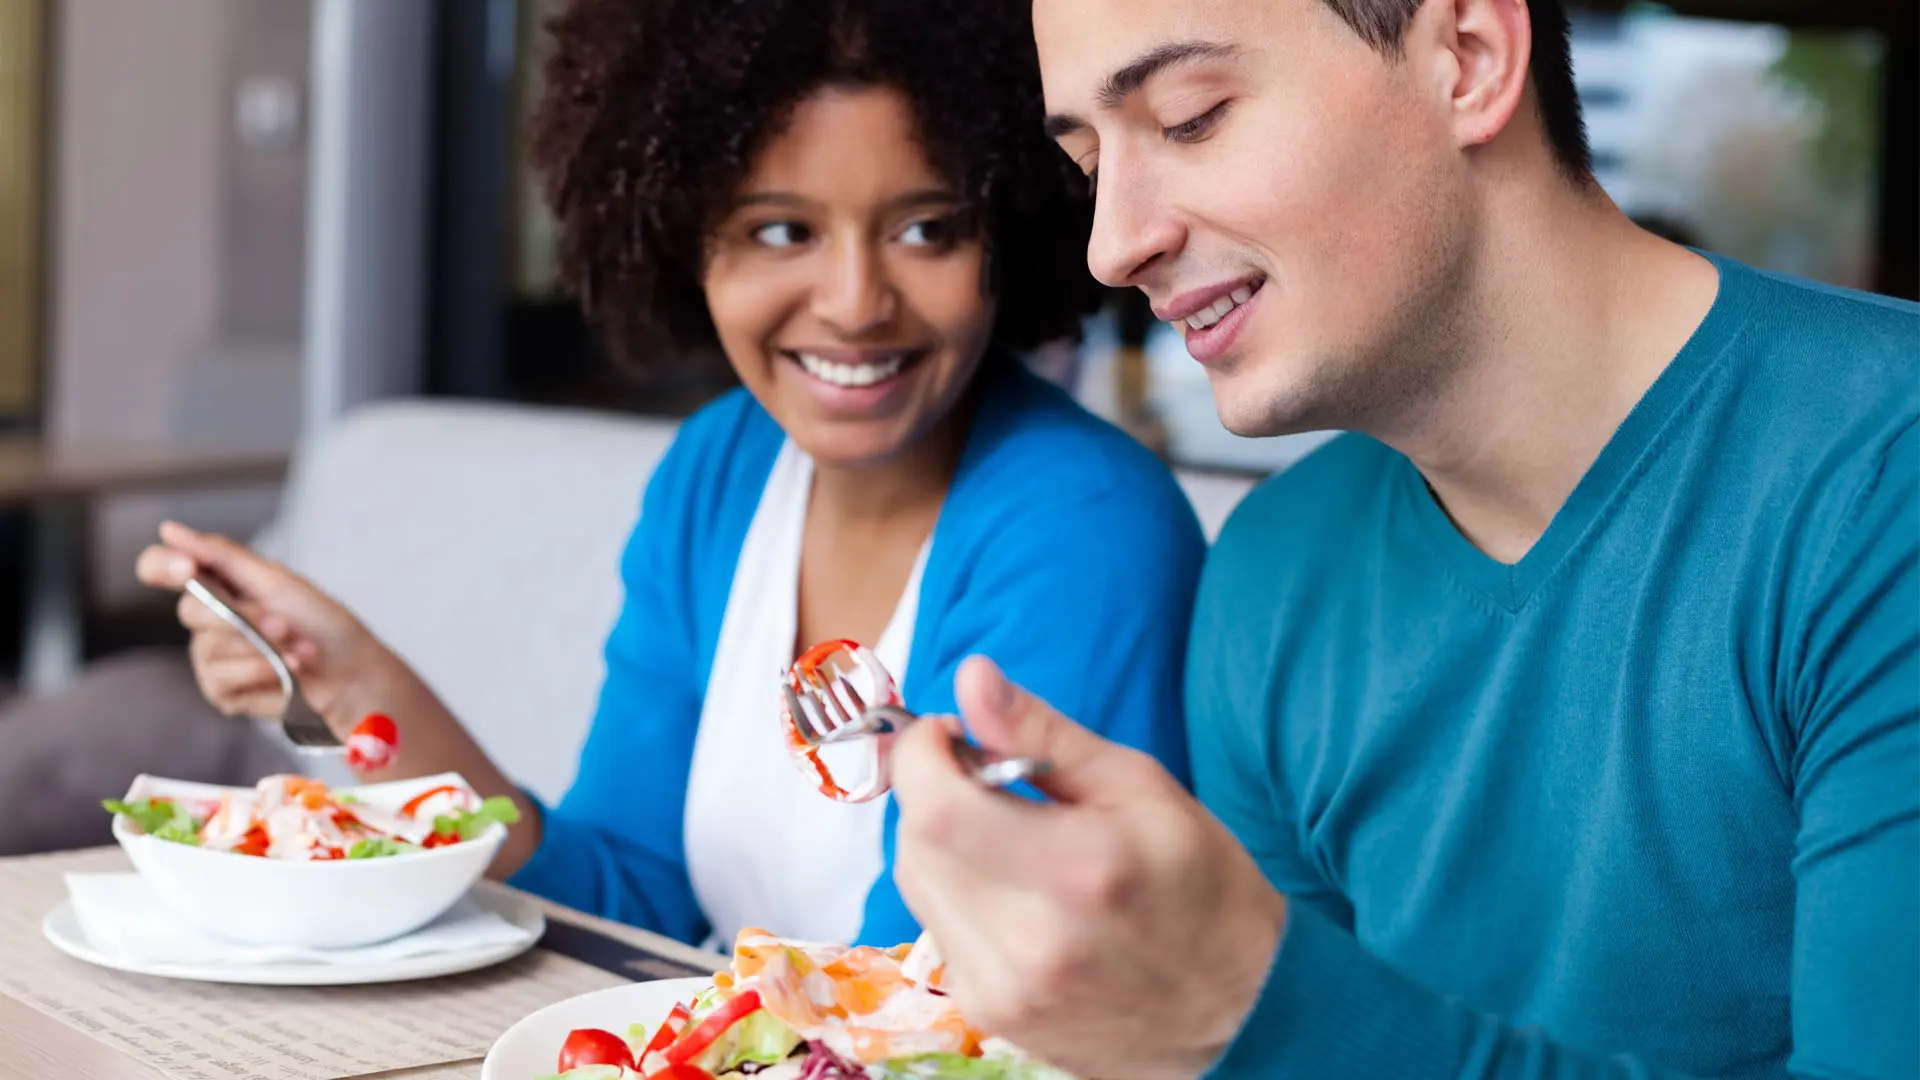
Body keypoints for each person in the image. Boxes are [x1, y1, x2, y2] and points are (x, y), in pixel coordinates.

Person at [886, 0, 1919, 1077]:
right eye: (1090, 163)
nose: (1114, 245)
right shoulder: (1271, 577)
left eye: (1191, 117)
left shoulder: (1885, 477)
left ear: (1468, 61)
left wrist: (1238, 1002)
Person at [136, 0, 1205, 952]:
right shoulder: (718, 472)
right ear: (684, 240)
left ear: (1009, 235)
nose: (853, 302)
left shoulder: (1083, 531)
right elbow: (624, 899)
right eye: (781, 230)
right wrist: (362, 684)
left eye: (927, 229)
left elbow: (941, 999)